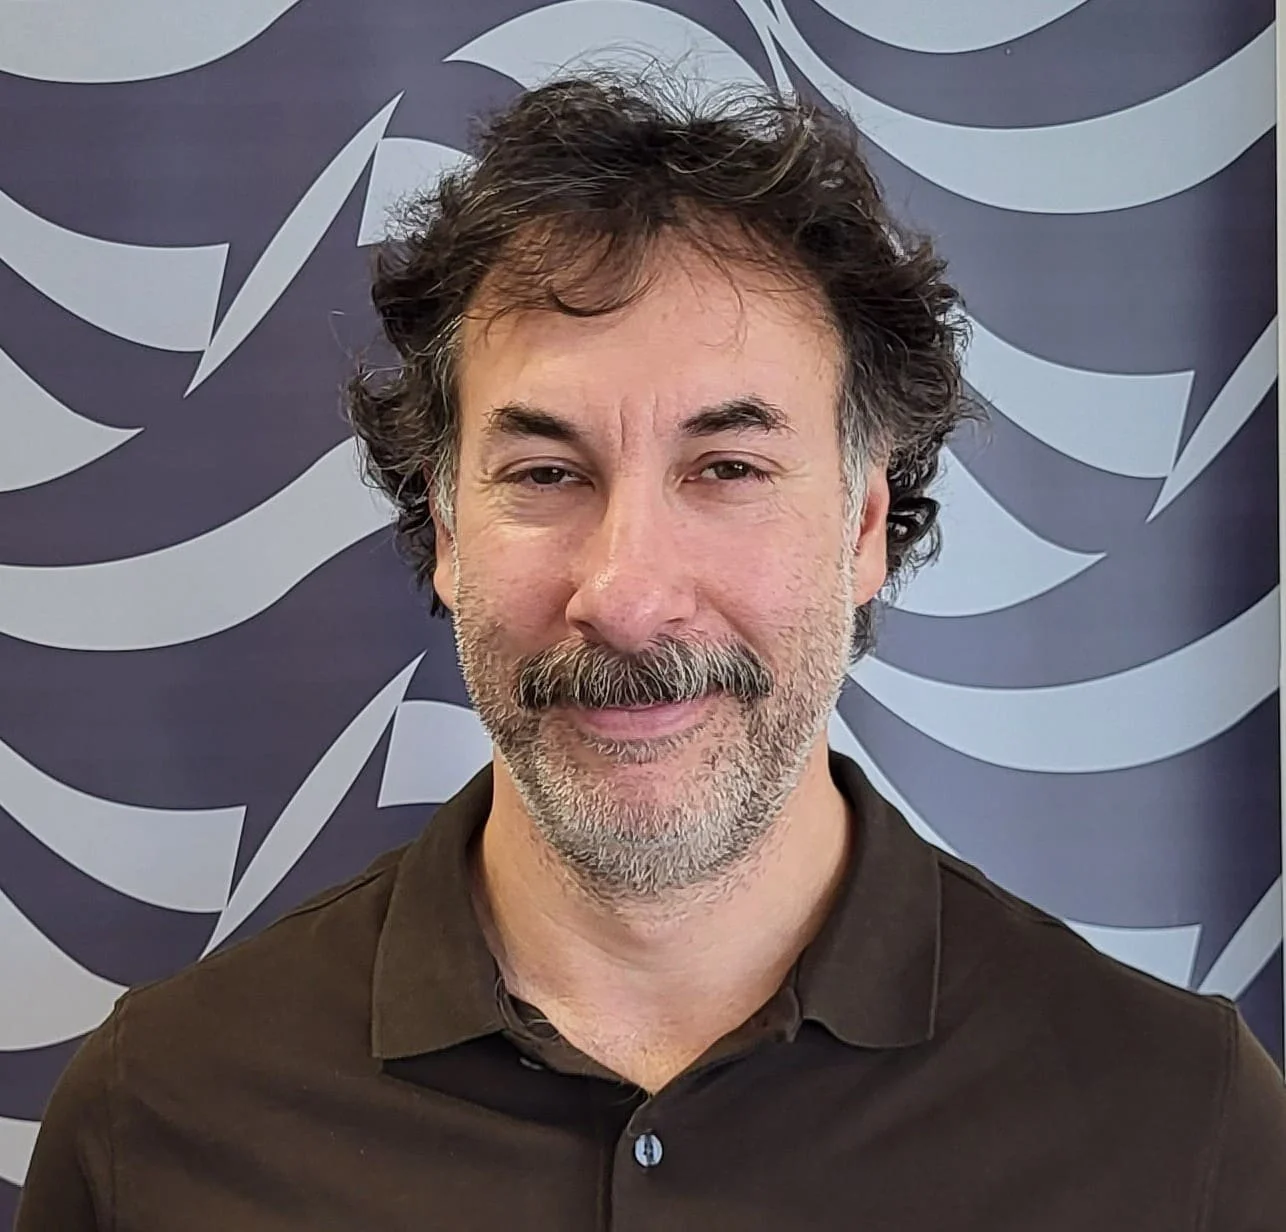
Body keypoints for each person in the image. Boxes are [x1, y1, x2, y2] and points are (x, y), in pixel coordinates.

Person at [18, 69, 1286, 1231]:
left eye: (726, 467)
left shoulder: (1180, 1127)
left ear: (860, 526)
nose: (625, 594)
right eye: (545, 471)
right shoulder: (158, 1119)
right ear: (447, 527)